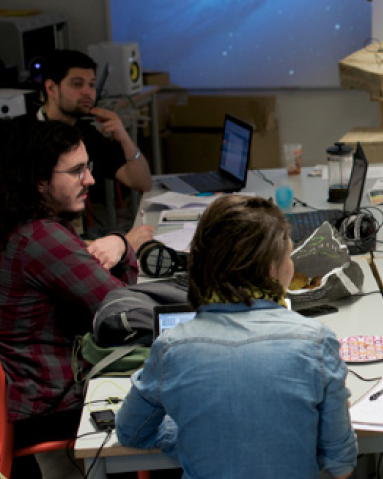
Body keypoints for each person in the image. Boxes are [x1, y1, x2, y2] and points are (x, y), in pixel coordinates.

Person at [116, 195, 358, 479]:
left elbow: (131, 433)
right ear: (271, 269)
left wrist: (196, 434)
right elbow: (341, 465)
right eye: (289, 256)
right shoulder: (316, 342)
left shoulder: (172, 347)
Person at [0, 119, 138, 478]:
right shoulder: (40, 237)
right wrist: (124, 244)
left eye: (88, 168)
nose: (90, 180)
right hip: (48, 404)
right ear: (39, 180)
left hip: (19, 398)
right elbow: (125, 313)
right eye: (77, 171)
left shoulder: (16, 224)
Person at [34, 49, 153, 249]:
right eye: (77, 84)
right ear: (51, 88)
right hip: (47, 247)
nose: (87, 92)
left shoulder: (85, 134)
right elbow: (34, 238)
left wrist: (124, 137)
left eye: (91, 84)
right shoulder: (24, 139)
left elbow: (142, 181)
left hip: (75, 238)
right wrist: (124, 245)